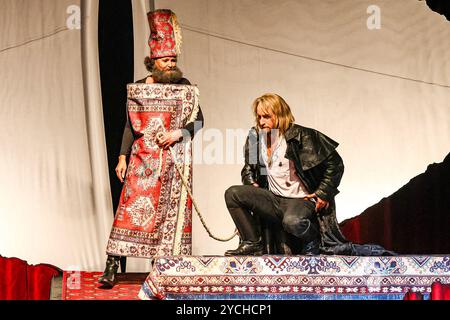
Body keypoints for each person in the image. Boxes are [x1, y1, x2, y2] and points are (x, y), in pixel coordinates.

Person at [99, 9, 204, 287]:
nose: (171, 64)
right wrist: (122, 157)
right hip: (142, 160)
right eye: (166, 60)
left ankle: (160, 269)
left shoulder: (185, 89)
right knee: (131, 211)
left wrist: (177, 133)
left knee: (163, 215)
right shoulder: (138, 89)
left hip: (172, 163)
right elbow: (128, 126)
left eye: (173, 60)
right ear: (153, 62)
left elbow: (199, 122)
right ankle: (112, 265)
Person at [224, 93, 394, 257]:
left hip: (299, 201)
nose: (261, 122)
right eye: (259, 117)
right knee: (233, 194)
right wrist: (251, 182)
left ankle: (313, 241)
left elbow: (335, 164)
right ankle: (253, 243)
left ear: (280, 114)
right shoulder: (255, 138)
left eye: (266, 116)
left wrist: (322, 192)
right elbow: (248, 168)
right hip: (272, 198)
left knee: (293, 222)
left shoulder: (302, 136)